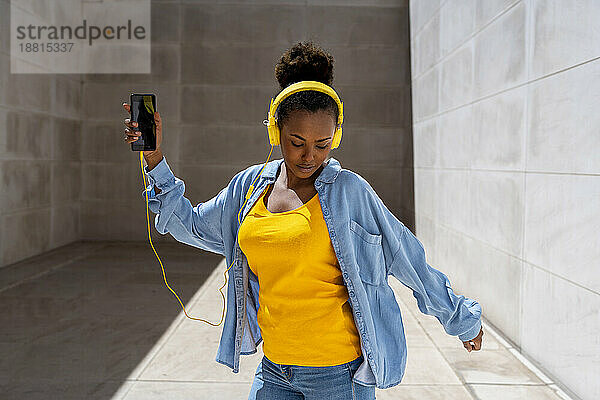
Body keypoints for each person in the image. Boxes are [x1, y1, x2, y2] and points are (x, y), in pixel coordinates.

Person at [122, 40, 483, 400]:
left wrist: (461, 319)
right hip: (275, 369)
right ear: (274, 130)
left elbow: (409, 259)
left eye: (323, 144)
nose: (310, 156)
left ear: (335, 138)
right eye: (297, 142)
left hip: (339, 377)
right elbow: (190, 224)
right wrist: (155, 160)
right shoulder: (248, 189)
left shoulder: (349, 192)